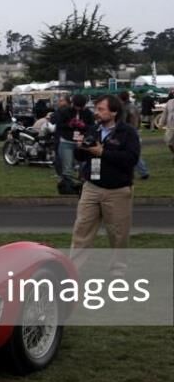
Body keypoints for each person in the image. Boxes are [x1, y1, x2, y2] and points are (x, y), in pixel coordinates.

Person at [70, 94, 140, 275]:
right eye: (96, 109)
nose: (97, 113)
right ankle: (73, 269)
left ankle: (118, 269)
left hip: (117, 190)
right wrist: (79, 148)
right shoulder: (93, 130)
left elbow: (131, 159)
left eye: (101, 109)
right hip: (92, 187)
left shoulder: (128, 133)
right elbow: (81, 157)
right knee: (82, 228)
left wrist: (102, 152)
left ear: (114, 112)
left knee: (118, 233)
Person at [53, 94, 93, 181]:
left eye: (80, 107)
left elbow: (92, 127)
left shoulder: (88, 113)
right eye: (76, 106)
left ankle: (83, 182)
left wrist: (84, 126)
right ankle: (68, 184)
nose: (78, 109)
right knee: (67, 166)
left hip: (82, 141)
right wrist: (69, 124)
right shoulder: (65, 111)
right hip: (67, 140)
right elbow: (59, 125)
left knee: (84, 165)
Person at [118, 91, 149, 179]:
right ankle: (141, 172)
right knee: (133, 152)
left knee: (130, 153)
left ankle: (143, 172)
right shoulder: (134, 106)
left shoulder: (124, 108)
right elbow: (139, 119)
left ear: (121, 98)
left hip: (128, 132)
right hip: (135, 130)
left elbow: (123, 121)